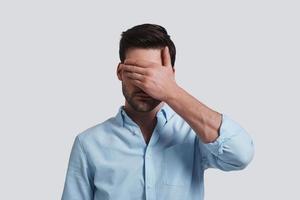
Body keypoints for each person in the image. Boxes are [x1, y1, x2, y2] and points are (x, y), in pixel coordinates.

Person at [61, 23, 254, 200]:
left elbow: (241, 155)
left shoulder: (193, 135)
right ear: (120, 72)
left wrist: (172, 92)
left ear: (170, 77)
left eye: (154, 76)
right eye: (136, 73)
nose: (145, 85)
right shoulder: (89, 143)